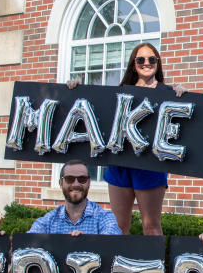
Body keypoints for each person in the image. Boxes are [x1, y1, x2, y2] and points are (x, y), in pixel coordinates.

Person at [69, 42, 183, 236]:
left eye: (151, 59)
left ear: (158, 63)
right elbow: (95, 108)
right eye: (140, 59)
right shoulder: (121, 91)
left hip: (150, 166)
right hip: (119, 164)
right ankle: (119, 266)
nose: (146, 63)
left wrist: (181, 94)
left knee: (151, 225)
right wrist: (76, 89)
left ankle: (155, 266)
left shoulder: (168, 93)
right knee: (119, 225)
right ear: (133, 64)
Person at [28, 160, 122, 235]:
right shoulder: (48, 221)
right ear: (61, 183)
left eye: (82, 179)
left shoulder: (104, 218)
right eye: (69, 179)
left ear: (89, 183)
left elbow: (112, 240)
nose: (76, 184)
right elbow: (30, 241)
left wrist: (87, 242)